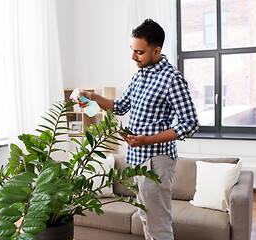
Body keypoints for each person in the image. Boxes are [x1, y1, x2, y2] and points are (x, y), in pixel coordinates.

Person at [75, 19, 199, 240]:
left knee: (158, 224)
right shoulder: (139, 76)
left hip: (156, 160)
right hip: (137, 159)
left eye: (139, 52)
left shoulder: (172, 79)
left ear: (156, 50)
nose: (133, 57)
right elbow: (120, 106)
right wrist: (92, 96)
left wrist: (147, 140)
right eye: (132, 50)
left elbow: (190, 124)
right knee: (146, 218)